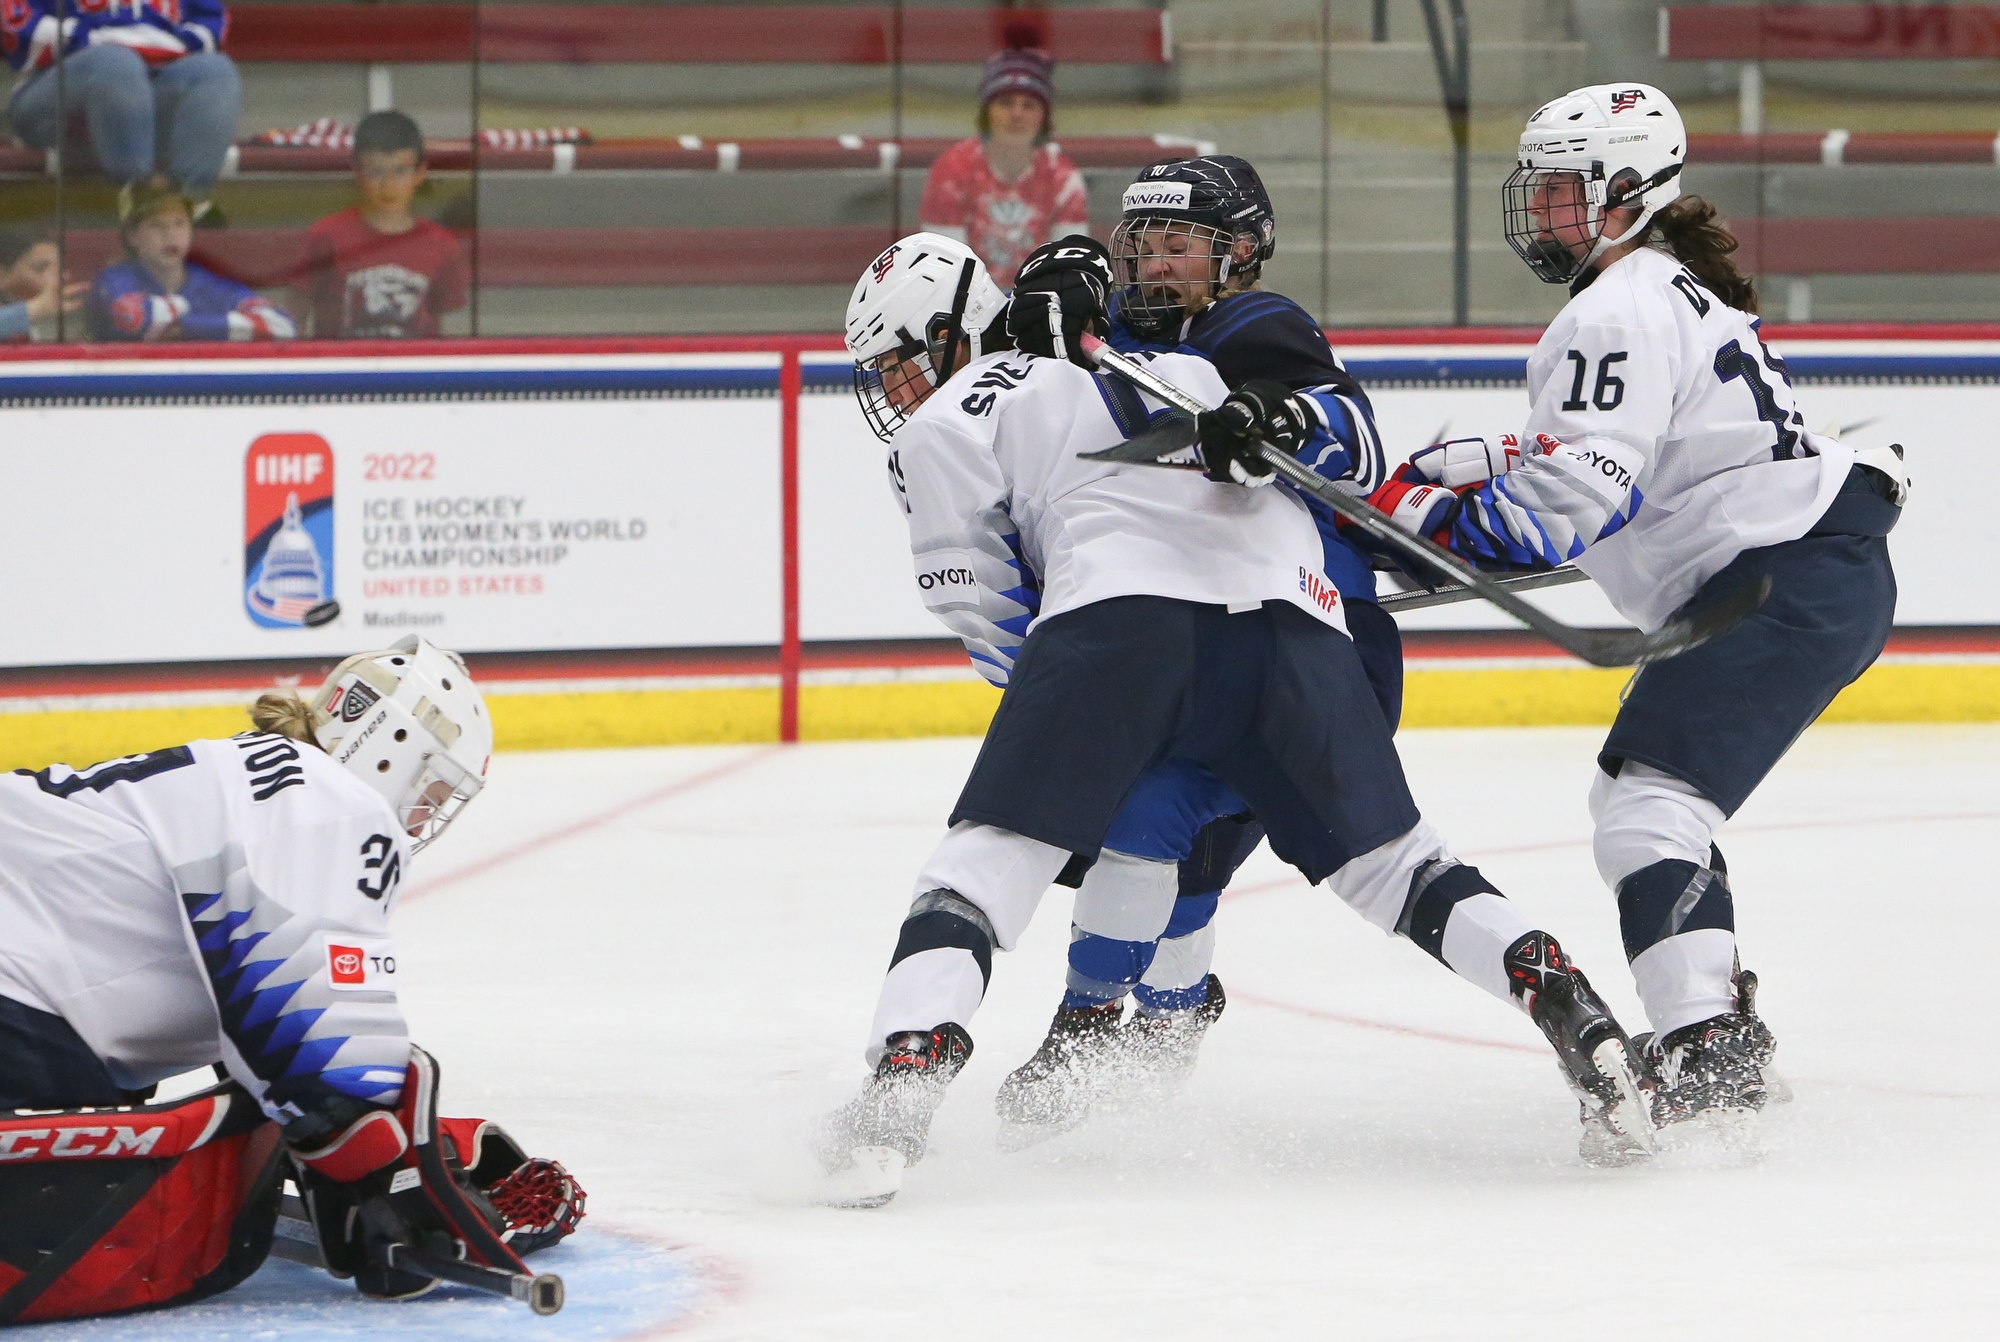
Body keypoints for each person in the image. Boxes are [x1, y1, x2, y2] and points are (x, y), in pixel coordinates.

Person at [815, 233, 1656, 1206]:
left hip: (1118, 629)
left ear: (956, 331)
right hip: (1296, 631)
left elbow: (993, 620)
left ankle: (897, 1093)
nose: (899, 391)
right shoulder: (1166, 364)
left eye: (904, 363)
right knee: (1400, 870)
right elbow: (1286, 469)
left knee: (985, 859)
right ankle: (1578, 1015)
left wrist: (1068, 741)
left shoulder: (945, 426)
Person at [1367, 82, 1902, 1130]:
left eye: (1563, 191)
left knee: (1649, 809)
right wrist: (1469, 471)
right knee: (1640, 806)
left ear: (1624, 190)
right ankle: (1710, 1031)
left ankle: (1707, 1048)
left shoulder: (1609, 310)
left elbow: (1551, 520)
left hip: (1775, 580)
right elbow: (1630, 461)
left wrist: (1415, 512)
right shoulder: (1664, 290)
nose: (1545, 212)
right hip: (1803, 572)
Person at [990, 157, 1437, 1136]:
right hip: (1219, 640)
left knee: (1152, 830)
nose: (1150, 259)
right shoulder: (1142, 342)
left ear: (1238, 252)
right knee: (1171, 851)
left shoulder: (1254, 325)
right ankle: (1162, 1022)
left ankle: (1109, 1022)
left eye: (1174, 242)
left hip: (1308, 641)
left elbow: (1349, 446)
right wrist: (1051, 285)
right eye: (1137, 241)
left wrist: (1279, 421)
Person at [0, 637, 582, 1324]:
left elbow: (264, 1022)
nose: (424, 812)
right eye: (429, 785)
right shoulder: (329, 800)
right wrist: (379, 1174)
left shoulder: (256, 777)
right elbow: (311, 1038)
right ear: (388, 744)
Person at [3, 0, 240, 217]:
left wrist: (170, 43)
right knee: (115, 63)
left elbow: (210, 20)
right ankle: (141, 206)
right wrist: (103, 38)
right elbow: (15, 23)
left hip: (152, 86)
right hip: (53, 90)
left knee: (216, 71)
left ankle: (187, 206)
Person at [916, 44, 1088, 288]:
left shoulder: (1063, 175)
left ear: (1044, 117)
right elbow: (945, 270)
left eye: (1029, 105)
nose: (1017, 114)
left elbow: (1071, 266)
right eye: (1005, 103)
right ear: (987, 112)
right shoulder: (950, 170)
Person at [296, 110, 469, 339]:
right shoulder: (325, 236)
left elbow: (439, 323)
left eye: (400, 171)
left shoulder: (441, 244)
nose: (388, 186)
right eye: (375, 172)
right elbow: (295, 315)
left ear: (420, 173)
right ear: (357, 171)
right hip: (343, 371)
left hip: (413, 372)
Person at [87, 175, 295, 342]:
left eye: (179, 223)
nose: (170, 234)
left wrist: (189, 325)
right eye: (156, 225)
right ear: (132, 236)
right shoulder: (113, 279)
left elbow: (281, 325)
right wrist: (225, 322)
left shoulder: (212, 282)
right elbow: (133, 317)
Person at [0, 223, 86, 342]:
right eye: (40, 268)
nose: (61, 277)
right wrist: (35, 308)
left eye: (61, 267)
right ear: (2, 276)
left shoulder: (71, 312)